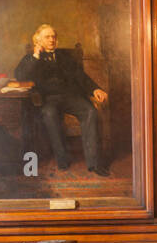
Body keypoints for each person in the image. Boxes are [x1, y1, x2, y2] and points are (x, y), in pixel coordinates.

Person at [14, 24, 109, 175]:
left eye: (53, 36)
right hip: (48, 99)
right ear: (38, 40)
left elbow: (81, 76)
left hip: (70, 97)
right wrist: (36, 55)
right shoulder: (31, 58)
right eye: (47, 37)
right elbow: (21, 76)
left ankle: (94, 163)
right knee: (50, 114)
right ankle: (62, 159)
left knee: (90, 111)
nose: (52, 40)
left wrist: (95, 89)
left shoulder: (66, 57)